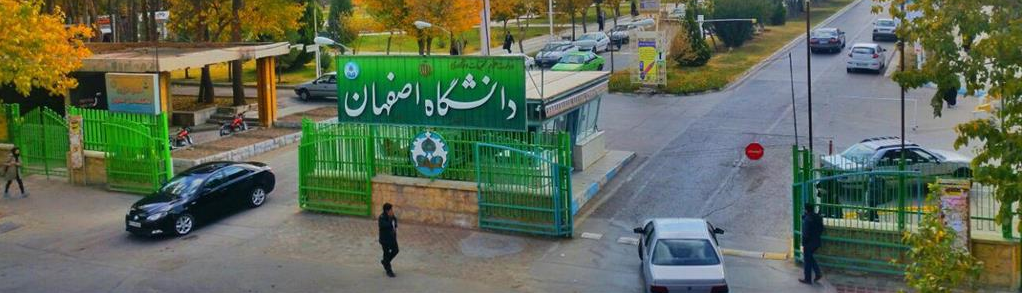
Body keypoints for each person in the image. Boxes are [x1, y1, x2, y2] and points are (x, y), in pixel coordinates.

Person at [800, 203, 824, 284]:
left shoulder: (807, 219)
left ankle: (808, 279)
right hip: (817, 241)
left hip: (809, 243)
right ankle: (817, 273)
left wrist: (803, 244)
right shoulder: (818, 217)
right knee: (810, 257)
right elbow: (821, 229)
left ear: (806, 210)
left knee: (807, 261)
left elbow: (805, 233)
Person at [378, 203, 399, 278]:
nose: (392, 211)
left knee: (396, 250)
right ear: (387, 211)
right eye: (391, 210)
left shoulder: (392, 216)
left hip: (392, 238)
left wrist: (393, 220)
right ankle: (389, 270)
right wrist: (390, 219)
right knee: (386, 254)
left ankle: (385, 262)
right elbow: (385, 225)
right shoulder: (382, 217)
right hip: (385, 240)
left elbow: (395, 224)